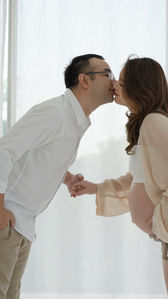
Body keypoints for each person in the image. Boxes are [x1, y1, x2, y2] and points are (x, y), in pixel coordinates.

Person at [71, 57, 168, 299]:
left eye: (122, 81)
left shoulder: (153, 122)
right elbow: (139, 179)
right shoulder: (148, 123)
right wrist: (96, 188)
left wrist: (164, 223)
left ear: (140, 86)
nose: (115, 86)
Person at [0, 53, 115, 299]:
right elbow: (4, 151)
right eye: (107, 74)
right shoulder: (55, 113)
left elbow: (41, 156)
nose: (113, 81)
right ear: (84, 80)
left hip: (21, 225)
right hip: (7, 219)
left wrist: (67, 178)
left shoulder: (74, 120)